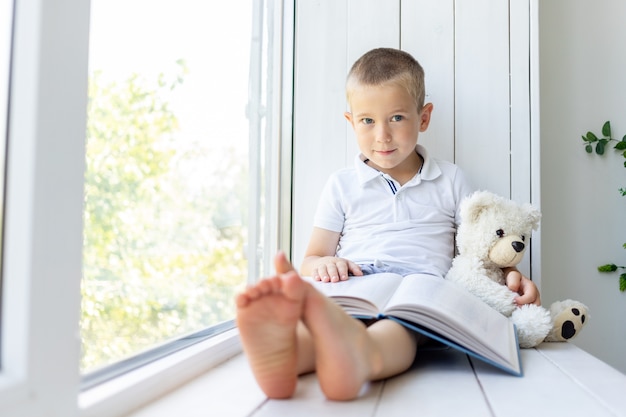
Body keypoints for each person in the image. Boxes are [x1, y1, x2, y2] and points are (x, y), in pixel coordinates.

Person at [235, 48, 540, 401]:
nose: (382, 135)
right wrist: (326, 264)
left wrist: (512, 279)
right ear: (351, 122)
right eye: (367, 121)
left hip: (419, 297)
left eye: (396, 118)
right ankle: (286, 352)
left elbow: (480, 252)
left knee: (401, 333)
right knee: (332, 321)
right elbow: (311, 259)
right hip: (355, 286)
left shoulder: (452, 180)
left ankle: (361, 356)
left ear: (423, 118)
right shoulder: (341, 184)